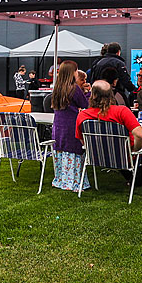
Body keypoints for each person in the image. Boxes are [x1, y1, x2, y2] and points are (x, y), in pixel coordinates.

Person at [75, 81, 142, 158]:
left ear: (93, 95)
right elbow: (141, 136)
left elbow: (83, 141)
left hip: (97, 157)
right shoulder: (122, 112)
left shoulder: (83, 115)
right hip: (124, 157)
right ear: (111, 95)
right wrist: (135, 150)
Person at [50, 61, 90, 192]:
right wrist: (88, 92)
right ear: (72, 72)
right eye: (76, 70)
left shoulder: (57, 88)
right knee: (73, 151)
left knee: (61, 150)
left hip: (58, 125)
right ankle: (74, 181)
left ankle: (61, 179)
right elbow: (84, 104)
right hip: (71, 125)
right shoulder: (74, 88)